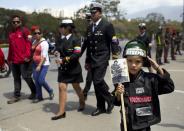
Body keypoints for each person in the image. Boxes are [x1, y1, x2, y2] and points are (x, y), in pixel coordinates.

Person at [112, 40, 174, 131]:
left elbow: (169, 87)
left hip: (144, 125)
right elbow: (116, 101)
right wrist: (118, 93)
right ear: (125, 60)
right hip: (127, 124)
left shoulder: (150, 79)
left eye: (138, 62)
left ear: (143, 62)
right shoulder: (121, 78)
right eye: (130, 61)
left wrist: (157, 68)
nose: (133, 65)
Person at [82, 2, 121, 116]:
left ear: (100, 13)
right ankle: (101, 107)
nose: (92, 15)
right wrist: (87, 60)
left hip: (102, 57)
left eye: (94, 13)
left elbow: (113, 42)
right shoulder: (89, 27)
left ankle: (110, 100)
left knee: (98, 80)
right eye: (91, 13)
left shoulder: (107, 25)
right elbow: (89, 45)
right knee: (96, 82)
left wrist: (114, 57)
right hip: (93, 58)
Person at [51, 19, 85, 120]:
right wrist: (56, 53)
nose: (59, 29)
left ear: (67, 28)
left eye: (61, 27)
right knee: (62, 87)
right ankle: (61, 112)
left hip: (73, 68)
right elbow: (56, 49)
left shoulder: (76, 39)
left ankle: (82, 101)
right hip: (63, 69)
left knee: (76, 87)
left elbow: (77, 53)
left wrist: (65, 59)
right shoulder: (59, 39)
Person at [7, 15, 36, 104]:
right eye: (14, 22)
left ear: (20, 22)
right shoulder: (11, 34)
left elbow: (28, 44)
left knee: (26, 77)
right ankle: (16, 96)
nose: (16, 23)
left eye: (17, 21)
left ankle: (34, 91)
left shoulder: (25, 31)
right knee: (16, 78)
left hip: (24, 60)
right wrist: (9, 58)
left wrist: (28, 56)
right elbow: (11, 47)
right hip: (14, 60)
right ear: (12, 23)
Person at [31, 26, 54, 103]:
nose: (37, 34)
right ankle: (39, 96)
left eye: (38, 33)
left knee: (41, 80)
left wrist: (39, 65)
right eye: (35, 33)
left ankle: (50, 91)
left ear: (41, 34)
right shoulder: (34, 42)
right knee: (36, 80)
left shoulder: (44, 43)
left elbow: (44, 56)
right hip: (35, 64)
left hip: (43, 64)